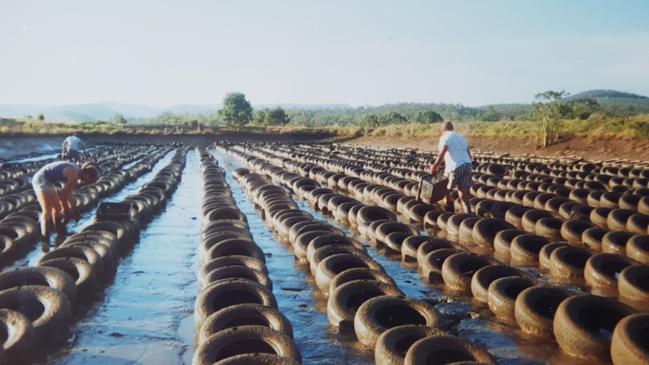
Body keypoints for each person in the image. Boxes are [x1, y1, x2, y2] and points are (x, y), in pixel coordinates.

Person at [32, 161, 98, 243]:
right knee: (47, 211)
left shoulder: (77, 172)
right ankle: (45, 240)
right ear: (87, 174)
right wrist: (67, 211)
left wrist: (74, 209)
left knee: (57, 209)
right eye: (89, 180)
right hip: (41, 179)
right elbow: (63, 196)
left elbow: (68, 193)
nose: (86, 182)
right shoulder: (74, 174)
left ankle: (61, 234)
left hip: (49, 181)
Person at [429, 121, 473, 213]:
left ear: (443, 130)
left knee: (445, 187)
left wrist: (435, 166)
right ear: (452, 128)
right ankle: (468, 212)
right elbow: (469, 156)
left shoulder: (444, 137)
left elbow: (442, 152)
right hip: (467, 165)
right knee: (463, 192)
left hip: (455, 166)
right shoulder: (461, 138)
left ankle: (449, 211)